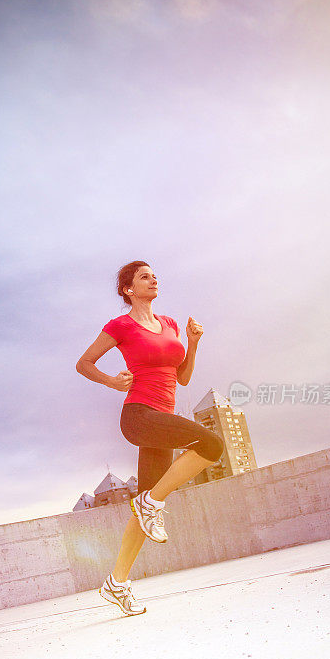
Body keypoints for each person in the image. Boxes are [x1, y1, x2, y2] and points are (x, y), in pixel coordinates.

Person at [76, 260, 224, 616]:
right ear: (128, 289)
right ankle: (151, 504)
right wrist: (112, 381)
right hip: (140, 416)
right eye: (144, 276)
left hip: (164, 418)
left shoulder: (171, 324)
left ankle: (117, 583)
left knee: (146, 506)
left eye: (155, 275)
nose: (153, 279)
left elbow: (183, 377)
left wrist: (192, 341)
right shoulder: (120, 325)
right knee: (212, 445)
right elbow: (84, 363)